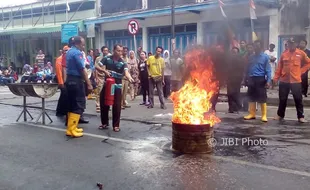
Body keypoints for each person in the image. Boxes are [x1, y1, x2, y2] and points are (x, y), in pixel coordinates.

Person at [98, 44, 134, 132]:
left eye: (121, 51)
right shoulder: (107, 58)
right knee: (103, 103)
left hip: (117, 86)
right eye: (118, 51)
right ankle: (104, 123)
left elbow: (126, 72)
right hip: (107, 84)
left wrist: (130, 78)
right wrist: (104, 71)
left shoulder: (123, 62)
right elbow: (97, 66)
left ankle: (116, 125)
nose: (120, 52)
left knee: (117, 105)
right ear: (114, 50)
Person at [273, 38, 310, 123]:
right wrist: (275, 78)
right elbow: (279, 67)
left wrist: (301, 71)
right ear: (288, 44)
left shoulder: (301, 53)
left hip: (296, 81)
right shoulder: (284, 54)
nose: (291, 45)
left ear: (296, 44)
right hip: (284, 80)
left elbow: (308, 63)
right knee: (282, 99)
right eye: (289, 43)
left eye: (293, 43)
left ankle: (300, 116)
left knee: (298, 99)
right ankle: (280, 115)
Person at [65, 36, 93, 138]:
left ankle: (71, 128)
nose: (84, 46)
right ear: (78, 43)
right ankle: (71, 129)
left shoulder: (69, 51)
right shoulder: (77, 53)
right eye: (83, 44)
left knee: (72, 104)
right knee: (78, 104)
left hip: (70, 79)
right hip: (76, 80)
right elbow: (82, 69)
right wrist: (89, 83)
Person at [244, 40, 271, 122]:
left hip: (260, 78)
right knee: (251, 97)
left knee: (262, 97)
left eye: (258, 46)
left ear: (261, 47)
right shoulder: (251, 57)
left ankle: (264, 115)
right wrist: (245, 78)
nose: (256, 47)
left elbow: (268, 70)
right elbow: (247, 69)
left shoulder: (265, 57)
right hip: (251, 78)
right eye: (255, 46)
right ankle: (252, 114)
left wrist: (268, 81)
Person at [227, 47, 245, 113]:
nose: (234, 53)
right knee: (229, 94)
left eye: (236, 52)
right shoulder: (228, 60)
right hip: (229, 79)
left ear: (238, 53)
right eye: (233, 52)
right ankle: (231, 108)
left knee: (236, 93)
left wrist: (243, 79)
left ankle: (237, 107)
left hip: (237, 79)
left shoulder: (241, 60)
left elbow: (243, 70)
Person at [94, 46, 109, 113]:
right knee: (99, 92)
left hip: (107, 78)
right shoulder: (98, 59)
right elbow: (96, 68)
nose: (105, 52)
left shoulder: (109, 58)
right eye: (104, 50)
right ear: (102, 51)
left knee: (107, 92)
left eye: (107, 50)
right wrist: (96, 78)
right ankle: (98, 106)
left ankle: (106, 105)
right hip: (100, 77)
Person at [56, 46, 69, 117]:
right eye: (65, 50)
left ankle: (61, 111)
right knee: (64, 96)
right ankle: (60, 111)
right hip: (62, 81)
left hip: (66, 81)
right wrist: (61, 82)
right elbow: (59, 72)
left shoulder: (66, 58)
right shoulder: (59, 59)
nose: (67, 52)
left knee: (63, 97)